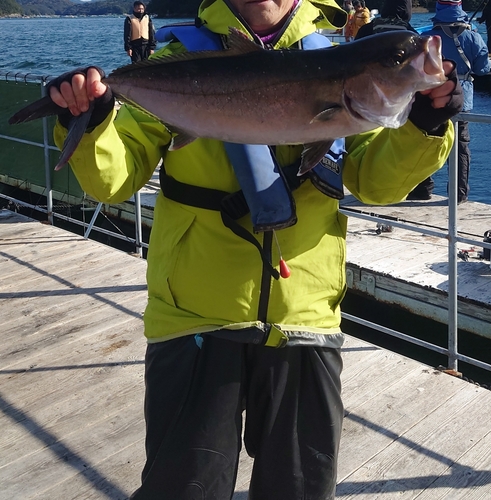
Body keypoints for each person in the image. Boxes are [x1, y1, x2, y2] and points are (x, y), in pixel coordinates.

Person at [47, 0, 462, 498]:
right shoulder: (180, 58)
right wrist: (93, 121)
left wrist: (426, 126)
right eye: (397, 62)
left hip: (304, 318)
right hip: (193, 316)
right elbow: (114, 181)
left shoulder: (335, 56)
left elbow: (376, 183)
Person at [408, 0, 490, 203]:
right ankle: (459, 194)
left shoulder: (426, 38)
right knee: (461, 148)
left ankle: (422, 188)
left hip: (431, 100)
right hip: (462, 102)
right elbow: (482, 69)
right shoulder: (473, 36)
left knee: (425, 144)